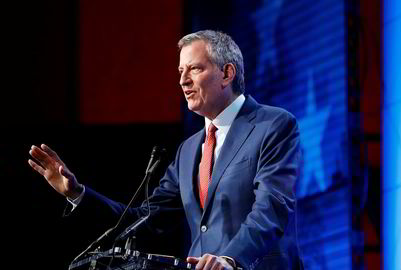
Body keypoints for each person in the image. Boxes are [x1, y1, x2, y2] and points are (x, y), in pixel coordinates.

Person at [28, 30, 303, 270]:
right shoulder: (189, 150)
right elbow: (143, 220)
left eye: (194, 69)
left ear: (227, 73)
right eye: (180, 72)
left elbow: (271, 207)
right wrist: (77, 193)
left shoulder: (273, 125)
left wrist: (231, 259)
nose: (183, 81)